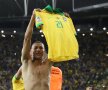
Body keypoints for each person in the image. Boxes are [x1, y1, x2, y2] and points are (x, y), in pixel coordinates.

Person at [21, 9, 54, 90]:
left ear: (44, 51)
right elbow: (27, 39)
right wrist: (33, 17)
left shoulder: (48, 62)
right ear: (30, 51)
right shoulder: (26, 61)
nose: (38, 50)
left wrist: (63, 20)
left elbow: (56, 40)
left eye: (41, 48)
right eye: (35, 48)